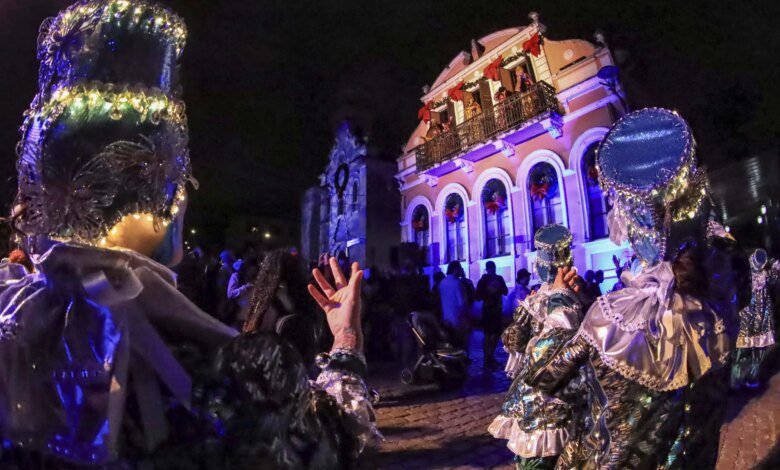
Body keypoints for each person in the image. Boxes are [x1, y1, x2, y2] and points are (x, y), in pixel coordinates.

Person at [0, 2, 377, 467]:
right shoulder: (223, 370)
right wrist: (345, 342)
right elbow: (334, 439)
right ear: (171, 199)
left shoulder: (13, 328)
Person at [520, 109, 735, 469]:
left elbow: (544, 376)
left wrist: (560, 302)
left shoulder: (613, 319)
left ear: (632, 227)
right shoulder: (718, 313)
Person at [489, 225, 585, 468]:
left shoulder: (558, 299)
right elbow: (517, 341)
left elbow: (526, 345)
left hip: (554, 391)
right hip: (545, 391)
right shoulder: (542, 299)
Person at [731, 248, 779, 390]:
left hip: (762, 318)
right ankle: (737, 379)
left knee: (758, 350)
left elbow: (776, 277)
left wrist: (775, 265)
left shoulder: (765, 274)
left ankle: (752, 376)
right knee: (742, 350)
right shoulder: (743, 276)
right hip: (746, 318)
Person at [476, 261, 508, 369]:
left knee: (497, 333)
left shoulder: (499, 278)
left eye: (493, 268)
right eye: (490, 268)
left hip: (497, 309)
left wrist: (498, 288)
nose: (492, 270)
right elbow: (477, 296)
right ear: (487, 269)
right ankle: (487, 358)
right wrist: (487, 291)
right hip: (488, 310)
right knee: (488, 335)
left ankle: (491, 356)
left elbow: (506, 291)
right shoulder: (483, 280)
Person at [440, 261, 471, 352]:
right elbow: (462, 303)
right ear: (456, 270)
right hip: (459, 319)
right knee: (462, 345)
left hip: (446, 318)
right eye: (460, 268)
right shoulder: (457, 283)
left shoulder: (442, 282)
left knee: (452, 344)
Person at [228, 257, 259, 328]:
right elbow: (230, 294)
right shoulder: (236, 276)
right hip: (237, 315)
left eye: (254, 271)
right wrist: (245, 287)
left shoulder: (255, 278)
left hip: (250, 317)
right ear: (246, 268)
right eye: (251, 270)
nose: (252, 273)